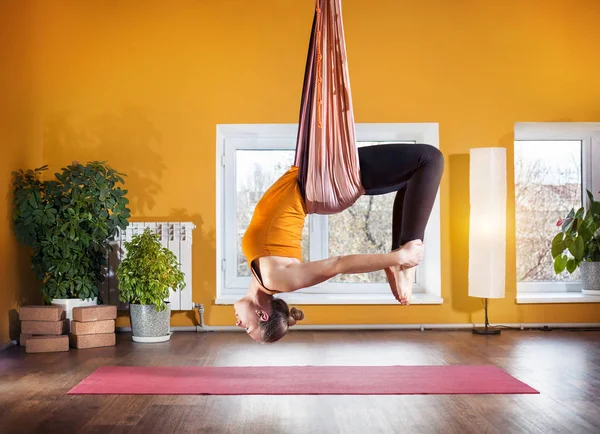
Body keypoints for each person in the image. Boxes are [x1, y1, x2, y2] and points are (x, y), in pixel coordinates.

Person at [234, 143, 444, 343]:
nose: (238, 323)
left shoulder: (260, 272)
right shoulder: (277, 280)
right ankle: (403, 262)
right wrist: (401, 256)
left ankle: (399, 261)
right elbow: (337, 264)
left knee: (412, 177)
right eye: (246, 327)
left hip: (311, 176)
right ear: (262, 315)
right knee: (430, 159)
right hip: (322, 182)